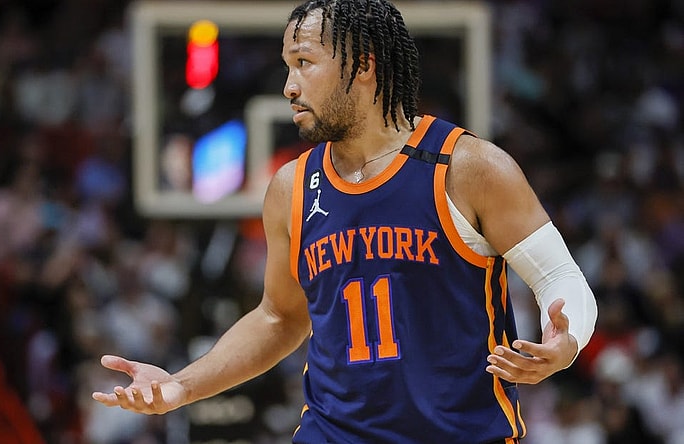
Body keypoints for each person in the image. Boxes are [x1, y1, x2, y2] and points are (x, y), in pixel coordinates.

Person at [92, 1, 598, 442]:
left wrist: (566, 341)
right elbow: (279, 318)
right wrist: (182, 385)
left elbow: (559, 277)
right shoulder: (291, 186)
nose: (289, 86)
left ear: (363, 66)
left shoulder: (467, 167)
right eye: (287, 67)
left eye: (304, 63)